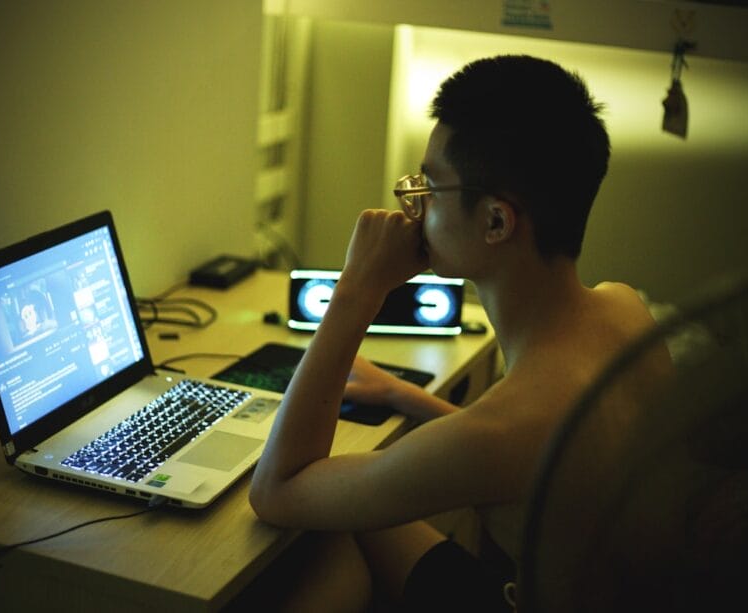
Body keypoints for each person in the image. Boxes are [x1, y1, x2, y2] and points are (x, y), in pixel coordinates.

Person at [247, 55, 673, 612]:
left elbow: (278, 490)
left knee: (321, 534)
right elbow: (544, 455)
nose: (414, 206)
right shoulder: (625, 308)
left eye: (429, 185)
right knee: (348, 531)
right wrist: (405, 396)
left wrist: (355, 292)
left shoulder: (503, 433)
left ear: (496, 221)